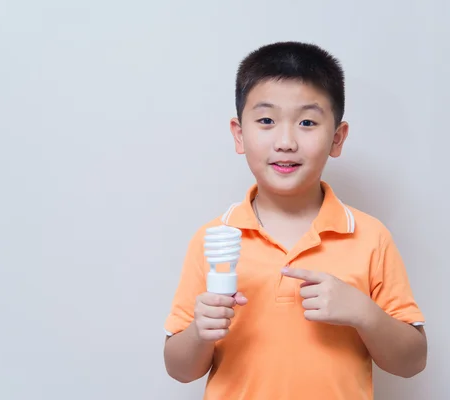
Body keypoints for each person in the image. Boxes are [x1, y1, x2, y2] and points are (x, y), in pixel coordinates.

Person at [162, 41, 427, 400]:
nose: (285, 141)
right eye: (267, 121)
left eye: (306, 122)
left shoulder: (370, 237)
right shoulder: (215, 238)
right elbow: (179, 370)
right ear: (239, 134)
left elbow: (412, 362)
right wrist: (199, 331)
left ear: (337, 138)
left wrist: (364, 313)